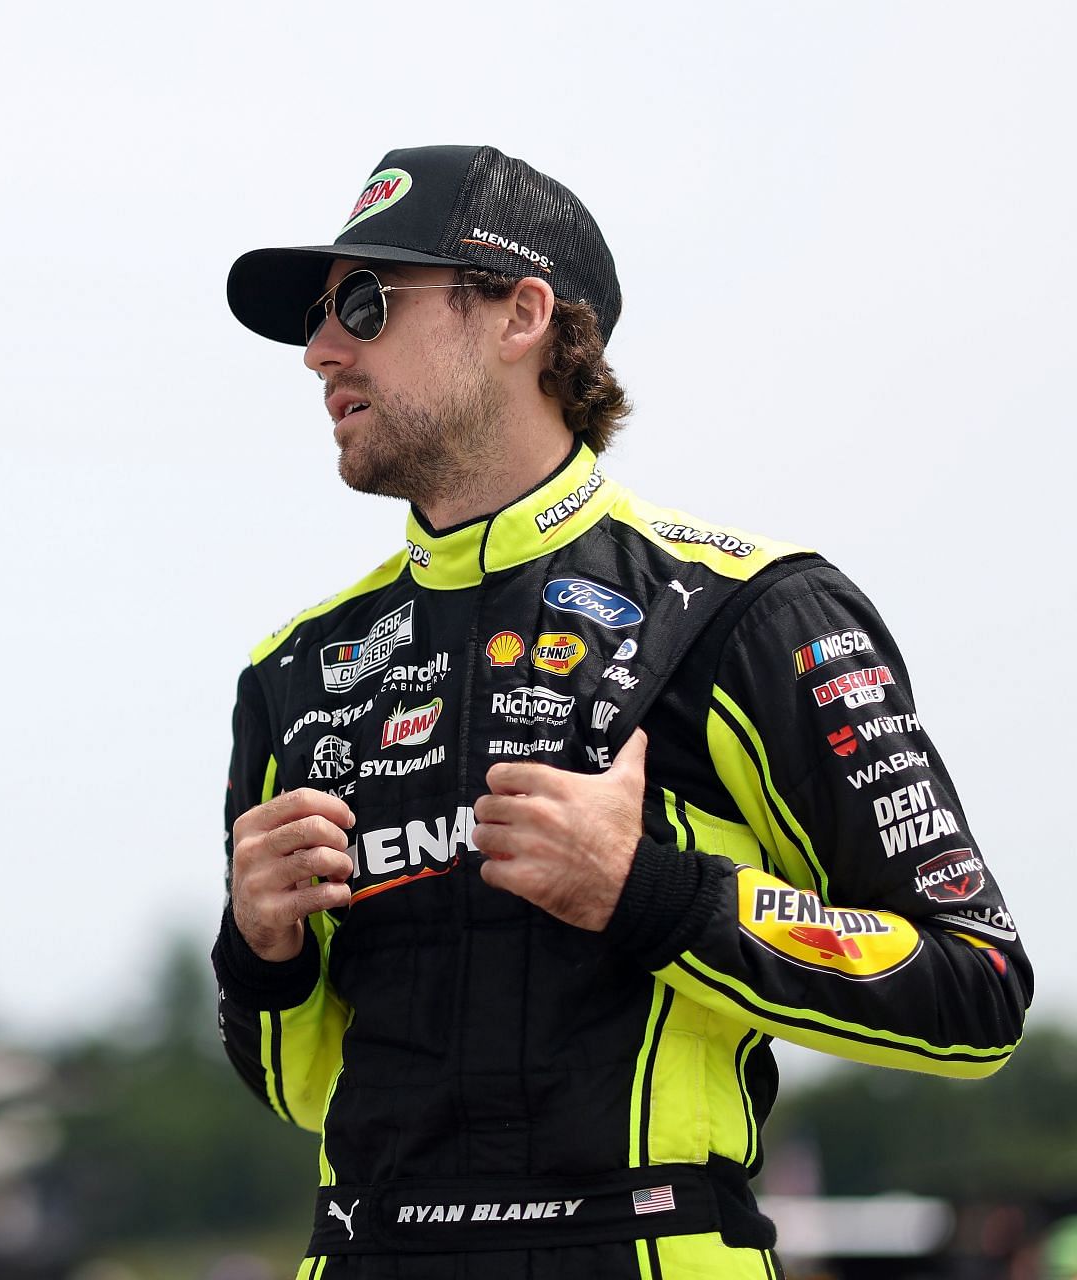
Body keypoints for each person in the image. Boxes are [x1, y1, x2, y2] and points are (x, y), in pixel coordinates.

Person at [210, 145, 1030, 1278]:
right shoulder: (294, 671)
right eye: (318, 318)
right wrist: (260, 953)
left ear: (522, 314)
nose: (319, 351)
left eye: (365, 303)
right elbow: (301, 1087)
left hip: (645, 1243)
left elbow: (977, 987)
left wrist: (648, 892)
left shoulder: (749, 608)